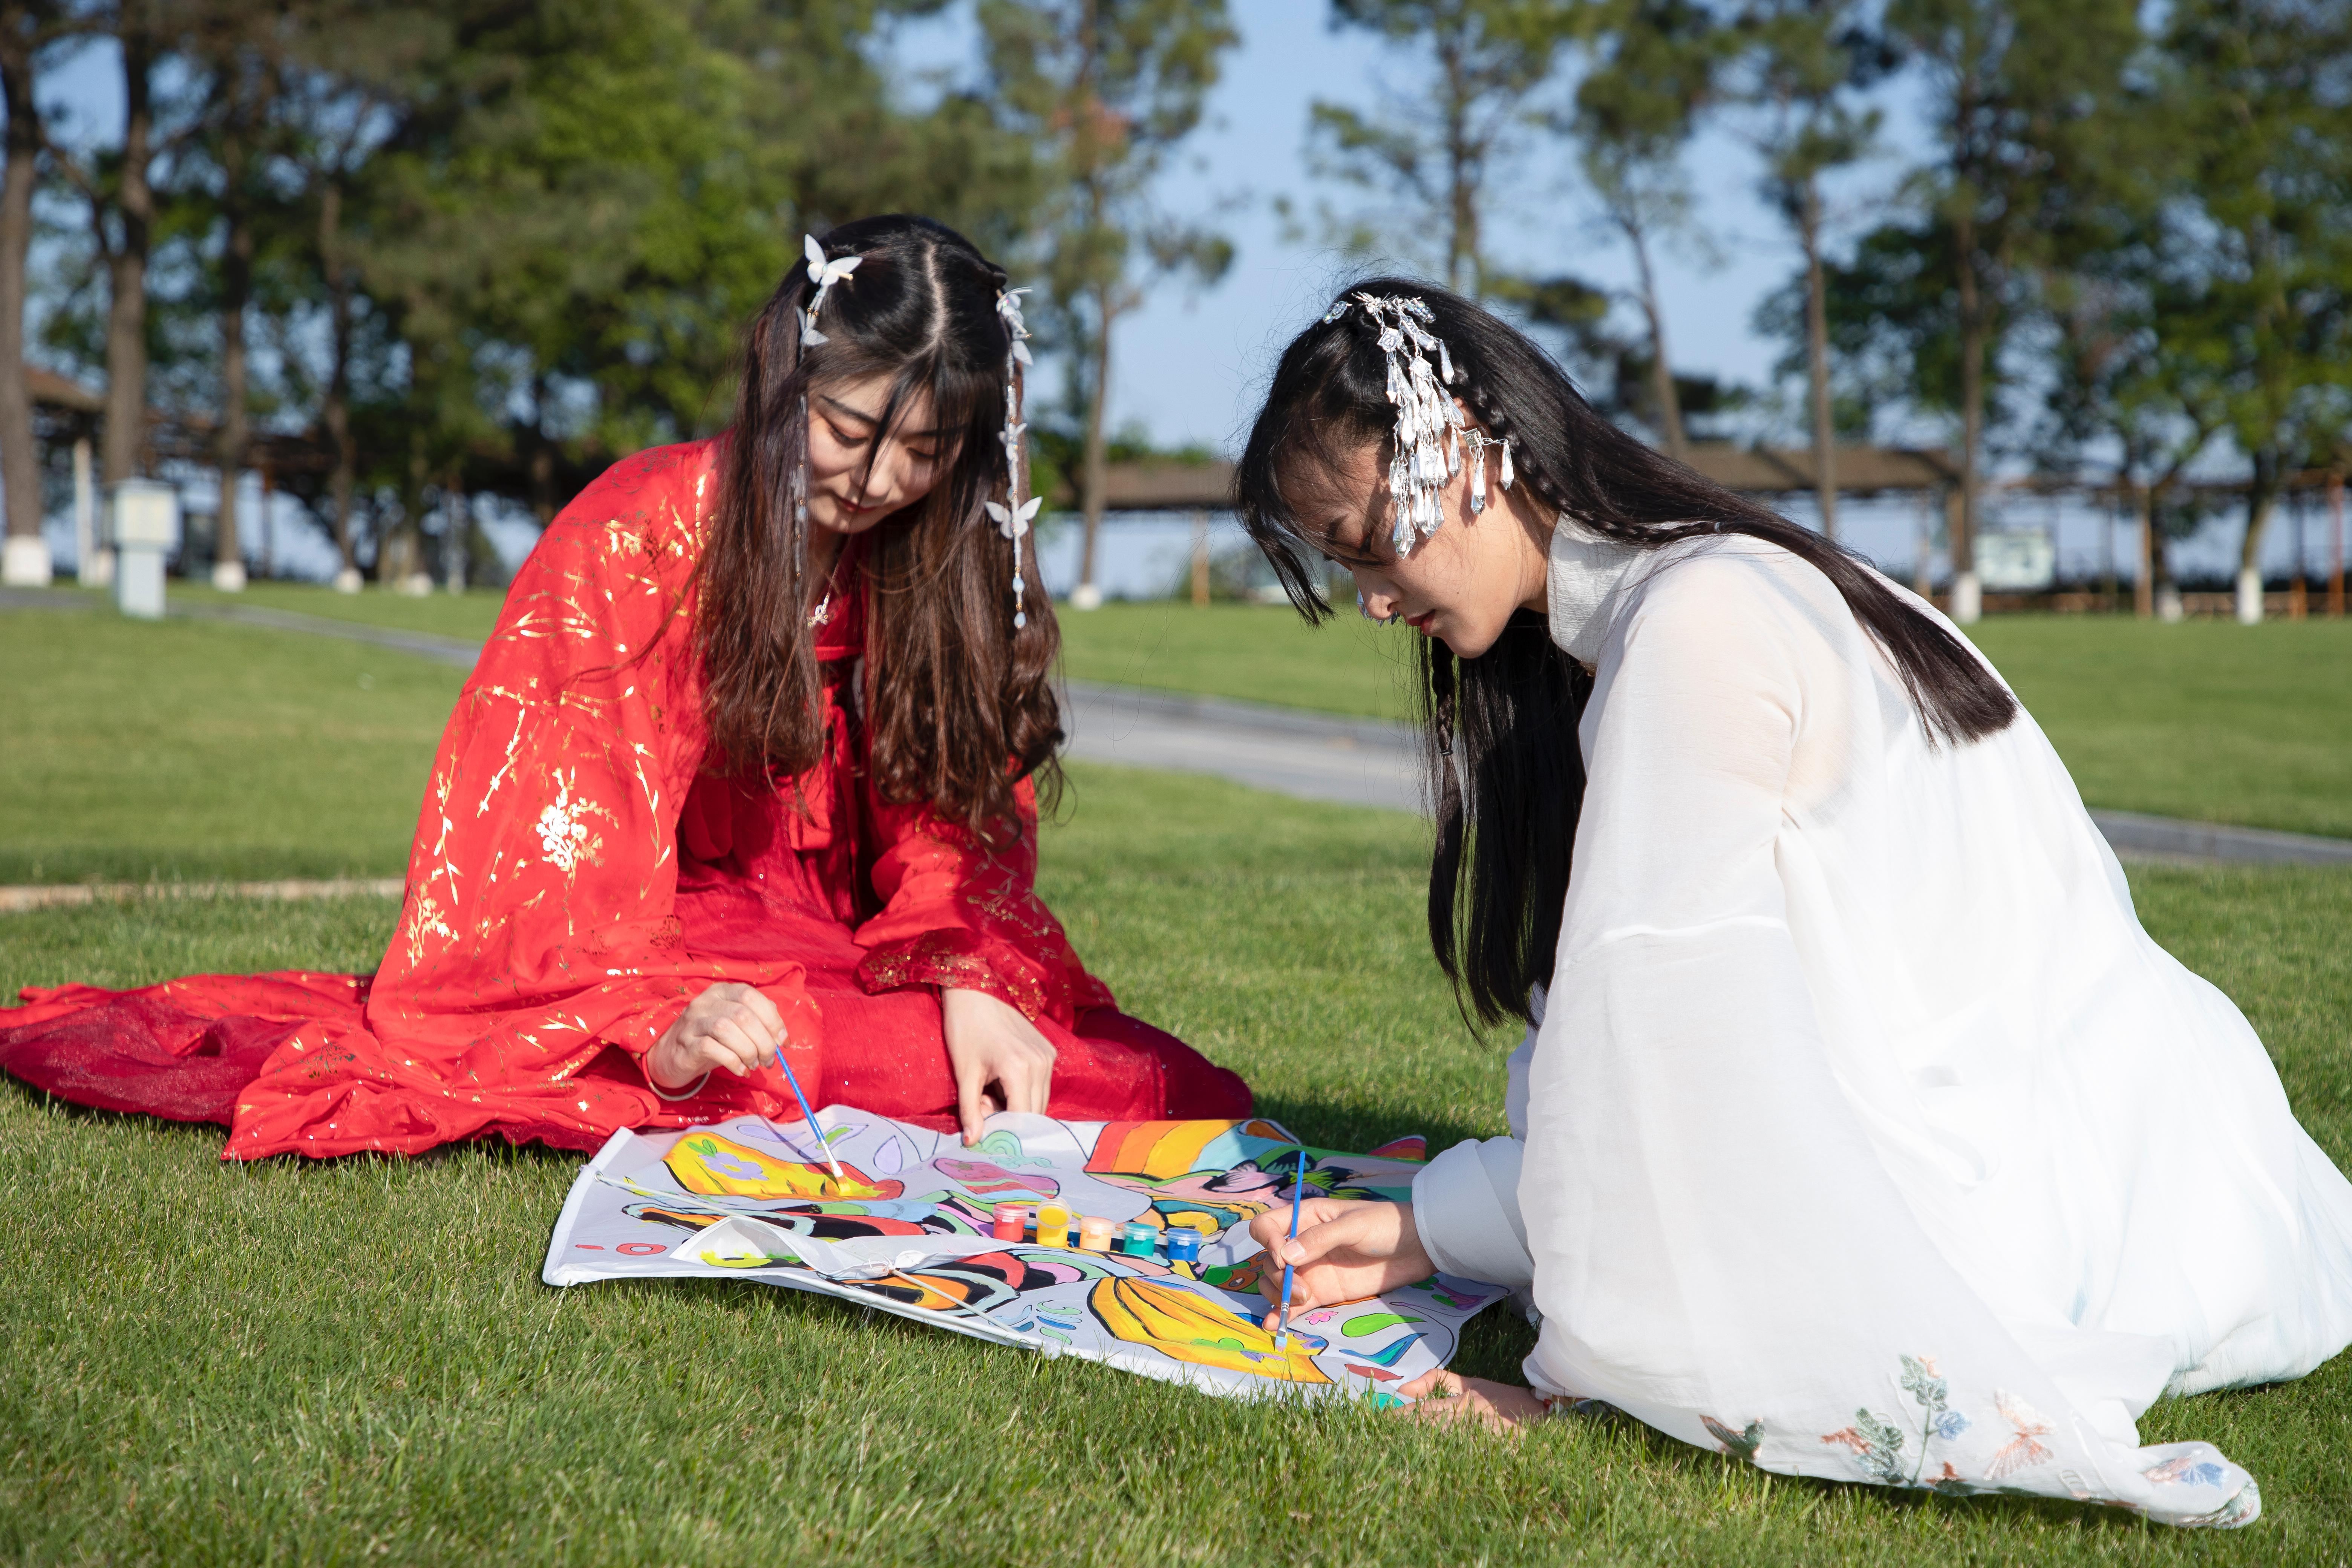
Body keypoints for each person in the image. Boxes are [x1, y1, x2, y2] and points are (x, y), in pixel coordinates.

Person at [1233, 283, 2352, 1527]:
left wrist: (1574, 1385)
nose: (1374, 600)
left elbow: (1667, 1049)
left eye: (1365, 544)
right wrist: (1436, 1227)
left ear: (1469, 452)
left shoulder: (1698, 622)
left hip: (2027, 1206)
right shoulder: (1719, 579)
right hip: (2165, 1156)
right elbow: (1648, 1037)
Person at [0, 214, 1249, 1158]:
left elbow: (954, 825)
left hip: (859, 949)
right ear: (787, 375)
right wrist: (667, 1018)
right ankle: (702, 1067)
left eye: (920, 453)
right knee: (793, 1055)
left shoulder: (938, 561)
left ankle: (875, 1058)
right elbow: (558, 832)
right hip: (662, 935)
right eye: (844, 430)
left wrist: (967, 978)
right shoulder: (646, 526)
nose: (873, 483)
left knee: (1166, 1087)